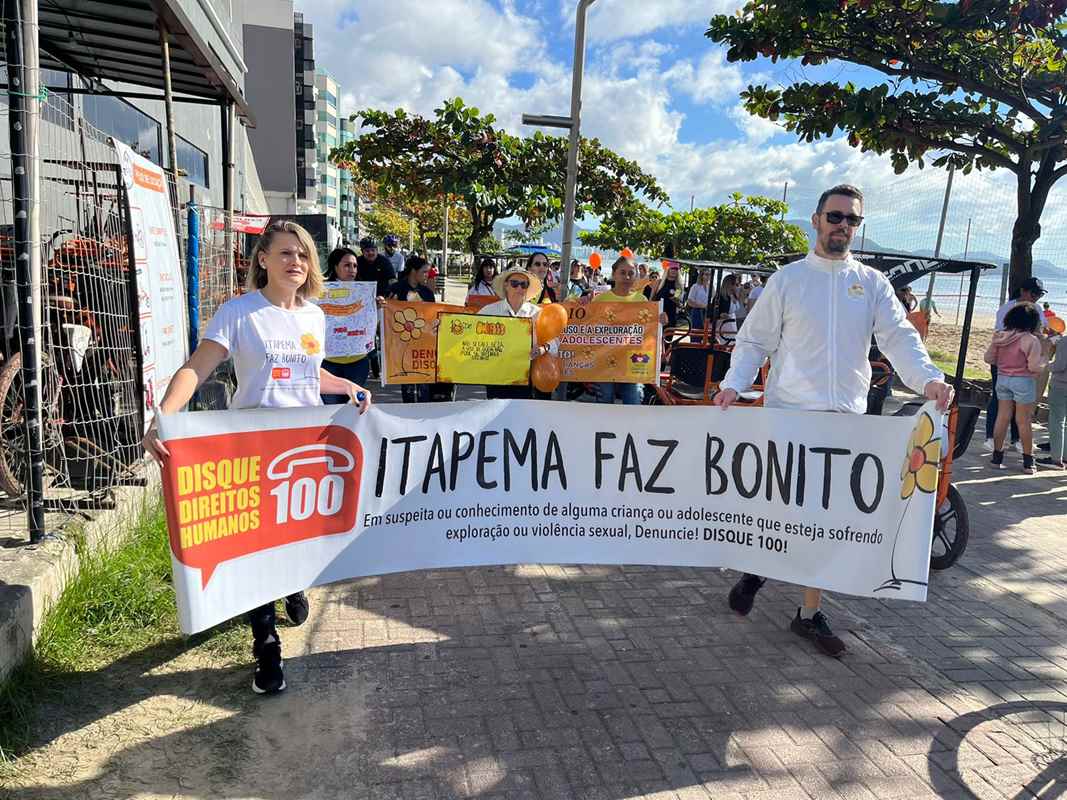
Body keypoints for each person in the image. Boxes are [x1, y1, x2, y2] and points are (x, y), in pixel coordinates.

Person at [714, 184, 952, 658]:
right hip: (788, 418)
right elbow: (754, 341)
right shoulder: (787, 280)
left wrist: (928, 379)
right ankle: (759, 568)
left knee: (825, 520)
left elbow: (900, 338)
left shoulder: (872, 284)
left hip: (845, 425)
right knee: (782, 511)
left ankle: (807, 613)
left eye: (853, 221)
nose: (844, 226)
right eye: (836, 216)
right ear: (817, 218)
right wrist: (732, 385)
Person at [141, 220, 372, 695]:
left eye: (303, 255)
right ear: (263, 259)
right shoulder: (239, 312)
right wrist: (163, 417)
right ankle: (266, 646)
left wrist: (344, 385)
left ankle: (292, 586)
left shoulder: (314, 317)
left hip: (305, 446)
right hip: (253, 448)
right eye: (286, 253)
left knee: (295, 538)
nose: (296, 262)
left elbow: (310, 373)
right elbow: (196, 367)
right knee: (256, 546)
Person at [590, 257, 668, 404]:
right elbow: (588, 328)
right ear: (614, 274)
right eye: (623, 272)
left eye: (631, 273)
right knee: (604, 402)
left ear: (636, 276)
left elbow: (649, 330)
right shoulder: (600, 300)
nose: (627, 277)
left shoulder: (643, 301)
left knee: (634, 401)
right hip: (604, 361)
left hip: (633, 362)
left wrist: (660, 320)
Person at [984, 302, 1048, 473]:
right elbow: (1034, 366)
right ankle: (1028, 462)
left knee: (1002, 418)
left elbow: (989, 358)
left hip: (1003, 378)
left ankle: (997, 458)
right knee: (1023, 421)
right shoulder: (1030, 340)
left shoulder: (999, 336)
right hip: (1023, 381)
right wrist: (1044, 359)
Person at [478, 265, 557, 400]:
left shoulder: (537, 313)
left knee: (521, 416)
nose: (519, 288)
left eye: (524, 284)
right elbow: (470, 335)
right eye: (515, 284)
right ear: (506, 286)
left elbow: (555, 341)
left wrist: (543, 349)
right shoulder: (488, 311)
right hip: (495, 376)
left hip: (525, 378)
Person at [390, 255, 455, 403]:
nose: (427, 276)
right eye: (424, 272)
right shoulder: (395, 289)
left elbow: (432, 317)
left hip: (423, 349)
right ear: (414, 271)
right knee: (407, 389)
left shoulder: (427, 292)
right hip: (403, 348)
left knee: (424, 388)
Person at [321, 247, 373, 405]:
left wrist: (376, 308)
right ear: (335, 267)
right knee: (330, 409)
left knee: (354, 407)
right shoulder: (319, 292)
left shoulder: (365, 292)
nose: (352, 270)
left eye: (355, 266)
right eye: (347, 265)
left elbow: (370, 325)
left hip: (358, 361)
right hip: (329, 363)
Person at [356, 237, 396, 380]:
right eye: (367, 251)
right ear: (362, 252)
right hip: (363, 305)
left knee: (386, 336)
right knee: (368, 336)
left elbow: (393, 282)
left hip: (382, 303)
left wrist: (387, 298)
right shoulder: (357, 263)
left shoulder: (384, 262)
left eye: (373, 250)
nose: (370, 253)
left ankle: (391, 367)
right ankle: (375, 369)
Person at [654, 263, 682, 327]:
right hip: (658, 315)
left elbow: (677, 300)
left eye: (676, 269)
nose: (674, 270)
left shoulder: (678, 286)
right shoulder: (659, 282)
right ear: (668, 270)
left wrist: (676, 300)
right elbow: (652, 297)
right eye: (672, 268)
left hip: (670, 316)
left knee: (668, 336)